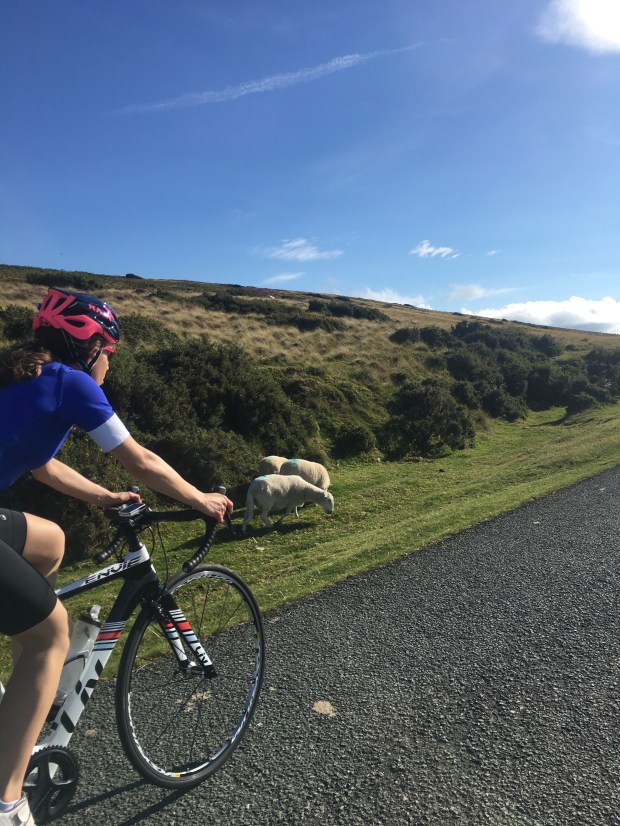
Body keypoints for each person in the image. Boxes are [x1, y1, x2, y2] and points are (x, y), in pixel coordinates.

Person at [0, 287, 232, 825]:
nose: (109, 363)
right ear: (90, 346)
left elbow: (41, 465)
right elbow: (141, 459)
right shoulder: (71, 383)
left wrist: (102, 498)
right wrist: (199, 498)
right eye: (109, 351)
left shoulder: (26, 376)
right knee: (50, 635)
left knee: (50, 543)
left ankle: (18, 694)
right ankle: (9, 803)